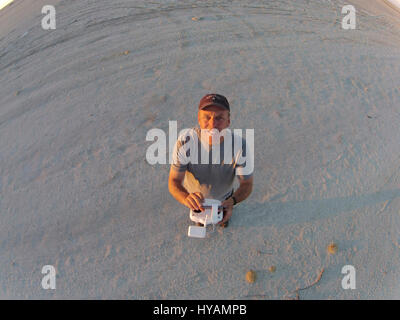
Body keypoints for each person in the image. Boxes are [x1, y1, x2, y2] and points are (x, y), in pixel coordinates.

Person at [168, 93, 253, 228]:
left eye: (219, 118)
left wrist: (233, 201)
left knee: (223, 219)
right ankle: (201, 221)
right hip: (197, 202)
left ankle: (224, 220)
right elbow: (174, 181)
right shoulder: (185, 142)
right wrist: (186, 198)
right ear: (199, 119)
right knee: (200, 222)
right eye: (207, 117)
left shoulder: (240, 146)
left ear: (228, 121)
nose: (212, 124)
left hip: (225, 199)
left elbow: (247, 184)